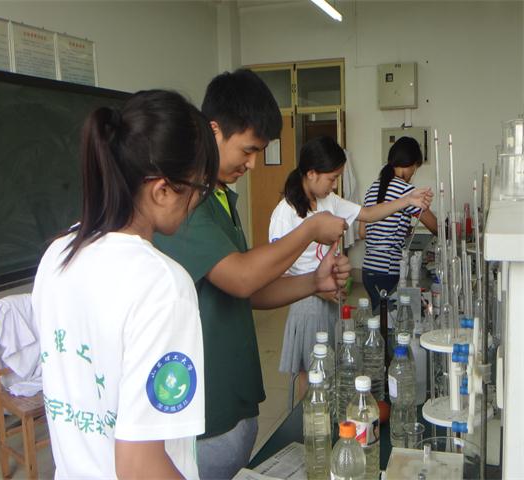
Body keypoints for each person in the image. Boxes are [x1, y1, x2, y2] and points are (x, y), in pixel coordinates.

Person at [154, 69, 351, 479]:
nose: (253, 163)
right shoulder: (183, 204)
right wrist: (310, 229)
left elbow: (247, 290)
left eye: (260, 151)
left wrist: (313, 282)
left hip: (235, 402)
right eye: (248, 149)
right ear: (213, 130)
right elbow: (242, 277)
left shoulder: (220, 197)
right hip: (205, 411)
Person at [32, 90, 219, 479]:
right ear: (162, 190)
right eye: (200, 189)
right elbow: (139, 466)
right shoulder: (162, 285)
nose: (197, 203)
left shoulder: (57, 254)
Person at [269, 135, 432, 395]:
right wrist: (317, 288)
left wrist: (408, 200)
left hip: (331, 298)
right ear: (311, 173)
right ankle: (308, 414)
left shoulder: (328, 201)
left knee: (331, 368)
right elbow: (278, 273)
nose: (335, 185)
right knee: (311, 372)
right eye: (332, 178)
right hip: (306, 302)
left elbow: (367, 214)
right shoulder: (285, 213)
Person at [359, 136, 438, 313]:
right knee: (389, 319)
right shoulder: (405, 190)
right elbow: (435, 227)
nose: (413, 174)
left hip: (367, 270)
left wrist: (398, 228)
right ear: (411, 165)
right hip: (387, 270)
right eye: (415, 169)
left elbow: (362, 232)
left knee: (379, 316)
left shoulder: (372, 188)